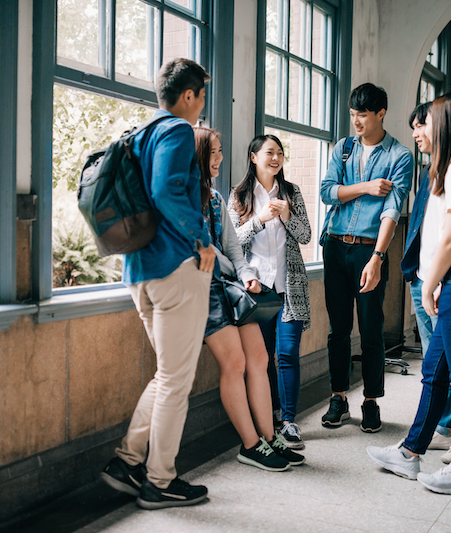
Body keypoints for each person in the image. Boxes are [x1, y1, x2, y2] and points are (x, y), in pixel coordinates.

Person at [366, 91, 451, 496]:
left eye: (429, 121)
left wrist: (430, 283)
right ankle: (410, 453)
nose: (421, 129)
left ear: (447, 125)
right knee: (436, 374)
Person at [100, 58, 216, 510]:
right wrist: (203, 240)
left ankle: (127, 462)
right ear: (188, 95)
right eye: (201, 96)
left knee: (166, 375)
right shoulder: (176, 131)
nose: (201, 105)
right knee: (175, 383)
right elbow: (167, 191)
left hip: (141, 272)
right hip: (175, 268)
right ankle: (160, 481)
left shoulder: (140, 133)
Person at [193, 126, 305, 471]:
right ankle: (251, 444)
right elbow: (216, 248)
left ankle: (270, 438)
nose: (219, 158)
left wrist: (247, 276)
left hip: (236, 288)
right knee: (238, 364)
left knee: (259, 358)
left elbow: (229, 251)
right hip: (206, 291)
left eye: (220, 151)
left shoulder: (213, 197)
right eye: (213, 152)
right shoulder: (190, 198)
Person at [319, 83, 413, 433]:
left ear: (381, 113)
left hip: (368, 249)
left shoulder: (399, 156)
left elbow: (392, 208)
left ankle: (371, 401)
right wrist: (366, 186)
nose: (356, 121)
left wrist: (377, 257)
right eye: (352, 114)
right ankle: (338, 397)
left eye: (363, 114)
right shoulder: (342, 149)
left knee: (371, 328)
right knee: (338, 329)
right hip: (335, 245)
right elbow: (328, 192)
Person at [227, 134, 312, 450]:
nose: (275, 158)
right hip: (255, 292)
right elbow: (231, 242)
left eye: (280, 153)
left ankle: (289, 422)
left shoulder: (292, 192)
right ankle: (267, 418)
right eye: (269, 153)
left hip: (289, 288)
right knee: (260, 359)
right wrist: (260, 220)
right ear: (253, 157)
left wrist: (288, 216)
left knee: (287, 353)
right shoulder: (239, 195)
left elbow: (306, 236)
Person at [401, 103, 451, 456]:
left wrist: (436, 279)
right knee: (433, 358)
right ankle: (445, 423)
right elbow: (423, 225)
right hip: (422, 277)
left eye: (420, 126)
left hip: (439, 280)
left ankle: (450, 425)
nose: (415, 134)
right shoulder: (430, 171)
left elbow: (449, 236)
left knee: (447, 360)